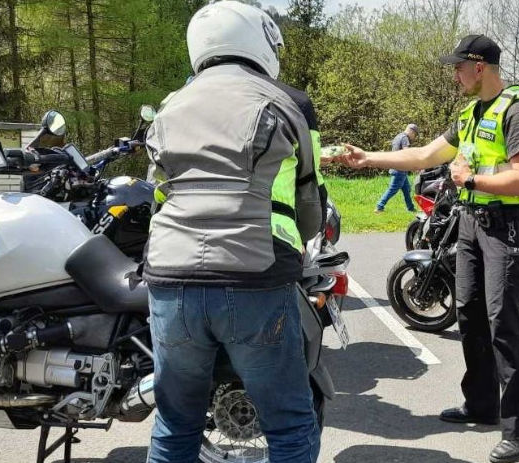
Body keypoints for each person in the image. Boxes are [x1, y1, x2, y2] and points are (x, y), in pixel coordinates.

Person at [338, 34, 519, 463]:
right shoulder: (471, 112)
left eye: (458, 67)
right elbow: (425, 154)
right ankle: (482, 405)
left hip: (507, 227)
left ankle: (518, 430)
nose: (454, 75)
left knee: (503, 325)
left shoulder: (518, 110)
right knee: (469, 314)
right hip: (470, 223)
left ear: (480, 67)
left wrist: (469, 180)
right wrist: (368, 158)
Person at [142, 2, 324, 462]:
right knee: (289, 423)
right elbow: (310, 204)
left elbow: (157, 192)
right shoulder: (288, 101)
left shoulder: (169, 106)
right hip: (254, 275)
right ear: (259, 41)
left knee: (174, 423)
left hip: (169, 279)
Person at [375, 123, 419, 213]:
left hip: (397, 167)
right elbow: (406, 153)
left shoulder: (398, 136)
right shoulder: (405, 138)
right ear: (411, 131)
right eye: (415, 134)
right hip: (400, 169)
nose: (414, 137)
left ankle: (410, 208)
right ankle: (379, 206)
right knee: (393, 189)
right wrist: (414, 165)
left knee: (407, 189)